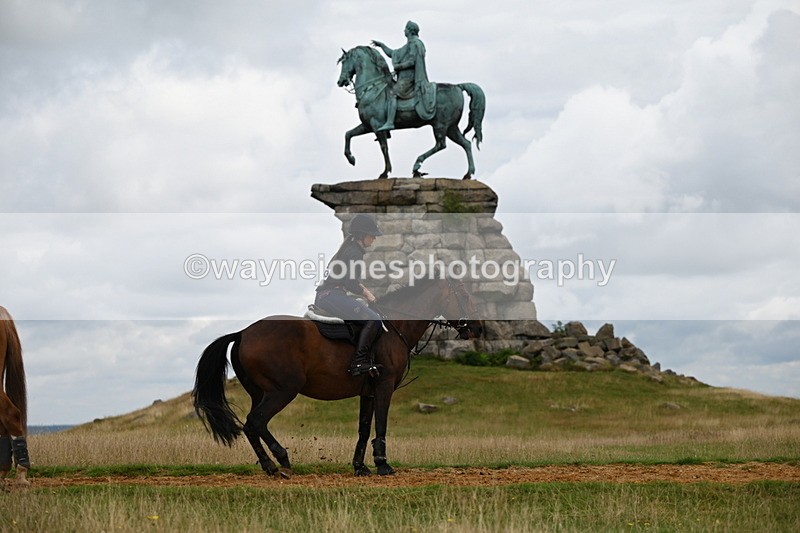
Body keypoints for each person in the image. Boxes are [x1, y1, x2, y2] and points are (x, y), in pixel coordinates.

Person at [315, 214, 383, 377]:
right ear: (362, 235)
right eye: (371, 235)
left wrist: (364, 290)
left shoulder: (348, 248)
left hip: (328, 295)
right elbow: (351, 283)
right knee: (374, 320)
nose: (374, 238)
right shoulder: (355, 253)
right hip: (331, 295)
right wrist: (367, 294)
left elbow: (349, 280)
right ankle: (358, 363)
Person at [372, 20, 435, 132]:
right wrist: (382, 45)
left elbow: (412, 61)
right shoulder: (409, 45)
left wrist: (399, 66)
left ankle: (390, 122)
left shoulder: (415, 44)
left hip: (409, 79)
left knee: (392, 93)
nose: (404, 30)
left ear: (410, 31)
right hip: (404, 78)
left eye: (405, 28)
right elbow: (393, 53)